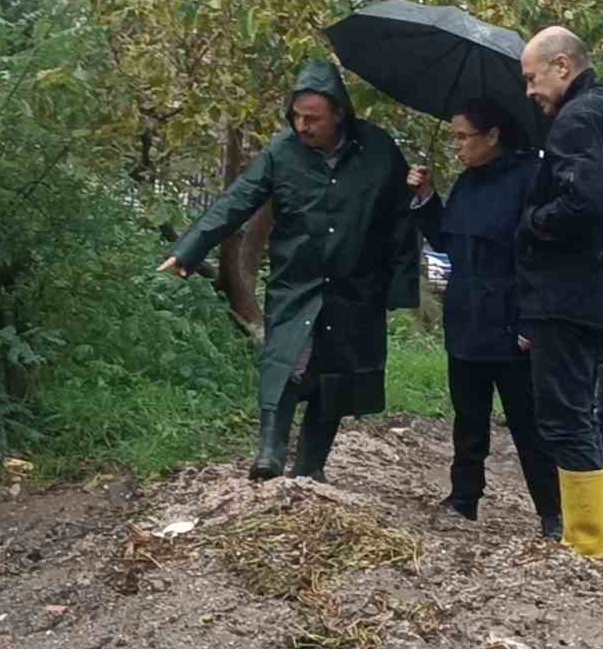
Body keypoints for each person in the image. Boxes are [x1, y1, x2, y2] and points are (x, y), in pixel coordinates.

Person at [160, 61, 418, 483]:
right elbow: (238, 199)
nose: (303, 126)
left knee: (334, 376)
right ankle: (269, 453)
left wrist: (399, 285)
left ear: (339, 113)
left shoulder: (378, 150)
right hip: (297, 280)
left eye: (313, 118)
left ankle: (311, 466)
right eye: (297, 116)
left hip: (356, 287)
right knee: (285, 362)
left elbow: (401, 221)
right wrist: (190, 250)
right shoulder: (283, 153)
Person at [408, 98, 561, 538]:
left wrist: (531, 323)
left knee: (528, 423)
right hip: (466, 315)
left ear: (492, 136)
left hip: (512, 321)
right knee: (468, 416)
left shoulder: (530, 179)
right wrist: (425, 197)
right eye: (453, 137)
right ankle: (464, 496)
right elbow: (447, 240)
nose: (457, 146)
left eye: (463, 137)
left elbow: (541, 258)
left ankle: (551, 511)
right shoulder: (467, 183)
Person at [518, 27, 603, 550]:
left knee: (565, 418)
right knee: (582, 415)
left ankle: (585, 546)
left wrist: (531, 221)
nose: (529, 91)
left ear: (562, 66)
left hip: (568, 297)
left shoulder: (578, 117)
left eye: (532, 77)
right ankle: (586, 537)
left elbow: (581, 201)